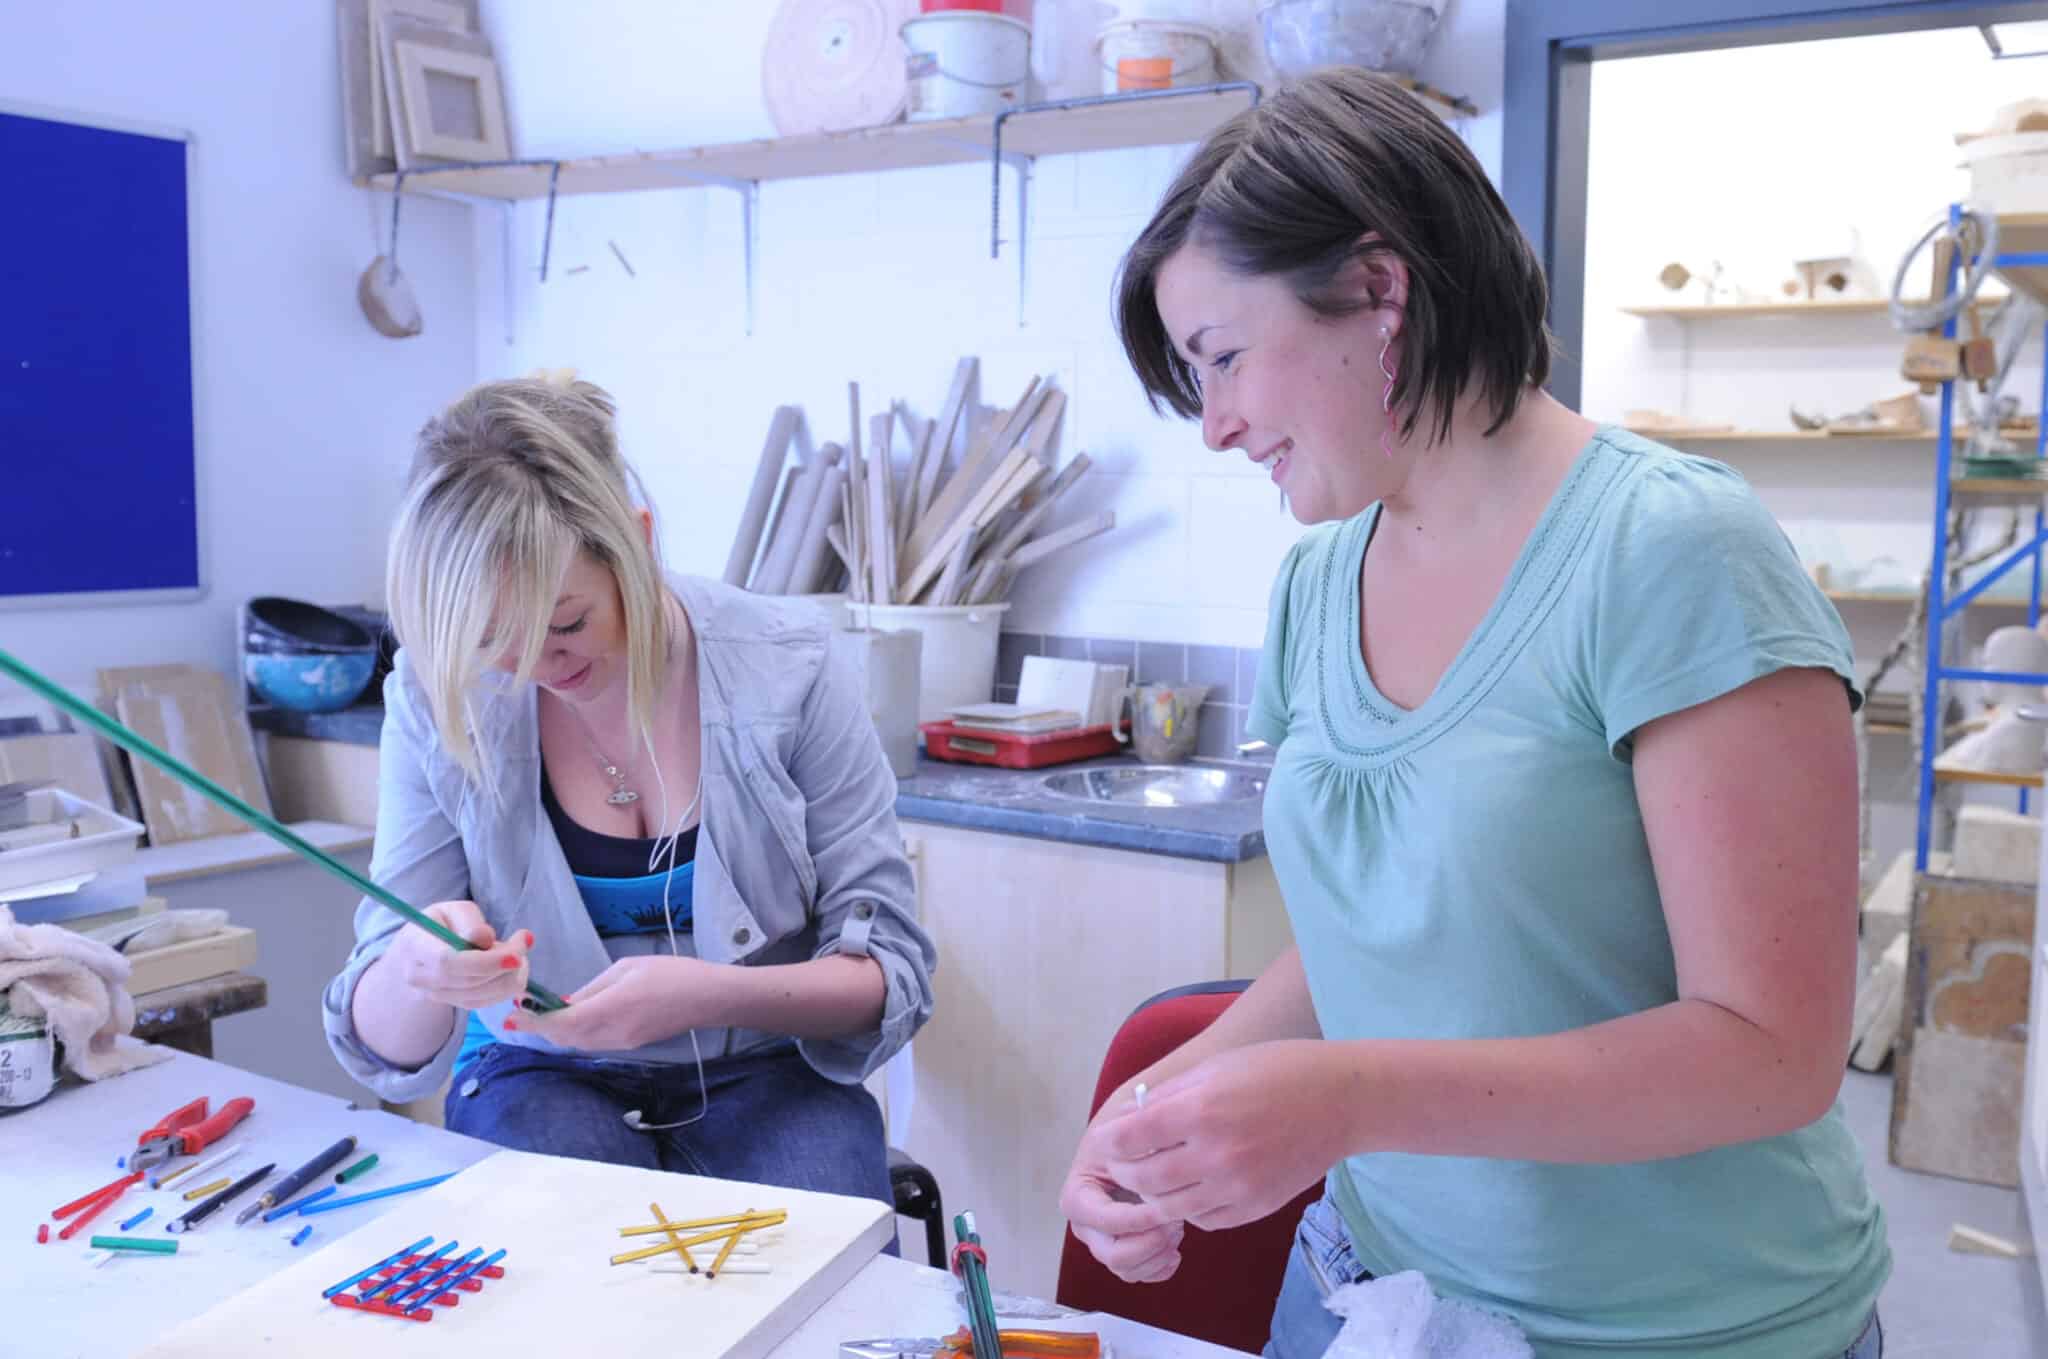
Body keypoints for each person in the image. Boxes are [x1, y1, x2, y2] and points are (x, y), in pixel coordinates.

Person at [1059, 69, 1888, 1359]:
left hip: (1684, 1328)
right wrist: (1145, 1118)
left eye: (1220, 359)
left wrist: (1348, 1100)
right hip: (1381, 1293)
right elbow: (1374, 945)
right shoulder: (1318, 582)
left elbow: (1770, 1050)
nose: (1214, 426)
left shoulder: (1669, 551)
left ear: (1380, 290)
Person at [322, 372, 935, 1210]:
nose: (540, 664)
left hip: (767, 1067)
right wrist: (419, 965)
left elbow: (892, 972)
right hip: (540, 1071)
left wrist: (717, 994)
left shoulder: (788, 665)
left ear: (638, 546)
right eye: (496, 639)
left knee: (819, 1296)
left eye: (567, 623)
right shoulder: (439, 696)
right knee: (568, 1288)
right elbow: (379, 1044)